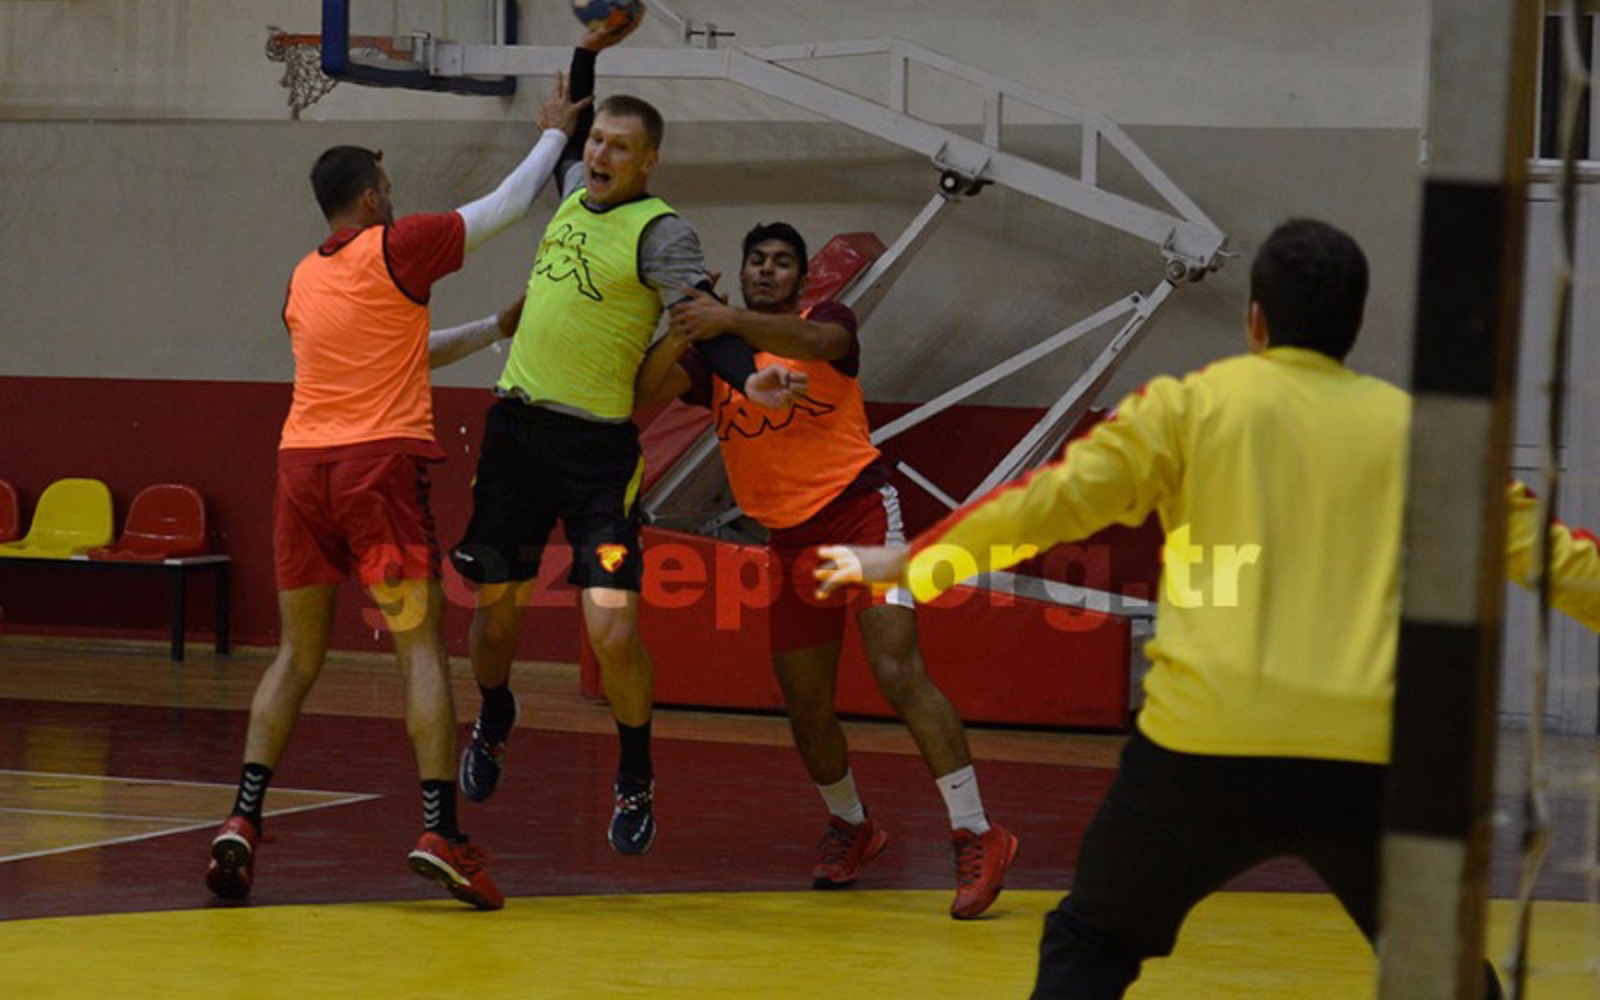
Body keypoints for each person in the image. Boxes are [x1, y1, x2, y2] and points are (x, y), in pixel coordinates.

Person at [815, 218, 1600, 996]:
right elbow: (1561, 561)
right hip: (1361, 755)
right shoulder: (1422, 435)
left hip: (1200, 748)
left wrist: (915, 562)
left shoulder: (1186, 409)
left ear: (1255, 318)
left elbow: (1046, 505)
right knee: (1450, 973)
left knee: (1090, 944)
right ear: (1355, 324)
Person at [203, 74, 593, 910]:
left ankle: (242, 819)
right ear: (374, 198)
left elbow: (401, 350)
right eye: (391, 187)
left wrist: (491, 329)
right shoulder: (399, 244)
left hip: (300, 474)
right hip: (376, 474)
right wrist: (556, 133)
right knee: (419, 650)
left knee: (296, 656)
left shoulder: (303, 279)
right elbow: (506, 206)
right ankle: (440, 830)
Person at [450, 12, 802, 856]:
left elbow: (702, 321)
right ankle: (495, 713)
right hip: (515, 437)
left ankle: (636, 771)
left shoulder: (663, 232)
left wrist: (748, 376)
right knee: (494, 622)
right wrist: (587, 52)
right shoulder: (576, 188)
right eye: (598, 141)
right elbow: (575, 124)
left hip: (596, 458)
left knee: (611, 631)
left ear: (648, 162)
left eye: (620, 147)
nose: (601, 154)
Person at [630, 221, 1018, 918]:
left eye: (782, 262)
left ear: (802, 277)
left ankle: (977, 831)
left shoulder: (825, 317)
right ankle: (852, 825)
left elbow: (819, 345)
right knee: (805, 705)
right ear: (741, 272)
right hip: (788, 542)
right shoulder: (720, 358)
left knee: (897, 670)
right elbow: (643, 391)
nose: (767, 270)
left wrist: (726, 319)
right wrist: (686, 323)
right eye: (757, 260)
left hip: (860, 514)